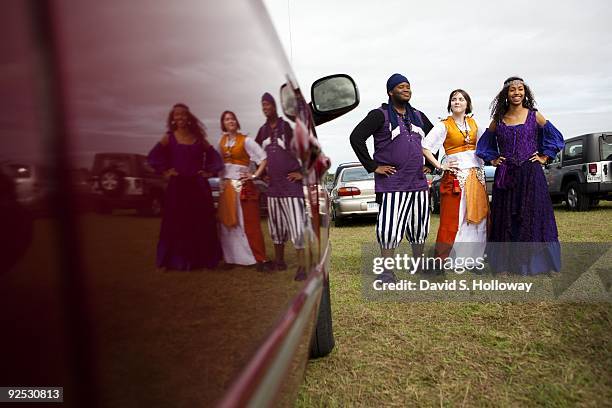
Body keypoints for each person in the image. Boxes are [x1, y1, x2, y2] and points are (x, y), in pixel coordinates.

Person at [476, 76, 565, 275]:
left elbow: (556, 136)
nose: (517, 93)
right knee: (506, 217)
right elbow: (484, 145)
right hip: (506, 175)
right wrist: (493, 159)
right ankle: (505, 265)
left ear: (525, 92)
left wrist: (544, 156)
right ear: (505, 94)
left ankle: (539, 264)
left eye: (520, 89)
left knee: (534, 215)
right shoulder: (498, 120)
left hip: (531, 174)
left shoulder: (534, 115)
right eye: (512, 90)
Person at [350, 73, 432, 283]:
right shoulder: (380, 115)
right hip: (393, 183)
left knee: (419, 226)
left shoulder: (419, 116)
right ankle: (387, 272)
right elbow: (356, 137)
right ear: (390, 91)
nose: (406, 89)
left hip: (418, 183)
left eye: (408, 86)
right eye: (401, 87)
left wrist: (431, 164)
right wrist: (373, 166)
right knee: (390, 227)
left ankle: (419, 266)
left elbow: (434, 138)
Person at [148, 103, 223, 270]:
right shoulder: (169, 137)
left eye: (183, 115)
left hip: (197, 187)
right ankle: (177, 262)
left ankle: (202, 261)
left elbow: (215, 158)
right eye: (177, 115)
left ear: (189, 118)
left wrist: (209, 172)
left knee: (200, 223)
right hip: (178, 188)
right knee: (177, 224)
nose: (180, 117)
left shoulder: (199, 139)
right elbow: (153, 157)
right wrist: (166, 171)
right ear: (173, 118)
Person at [422, 89, 488, 263]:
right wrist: (439, 165)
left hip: (476, 176)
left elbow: (487, 143)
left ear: (467, 103)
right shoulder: (444, 125)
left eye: (461, 99)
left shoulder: (475, 124)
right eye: (453, 99)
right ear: (450, 104)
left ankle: (475, 259)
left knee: (477, 217)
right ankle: (446, 259)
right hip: (455, 177)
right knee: (454, 218)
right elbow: (425, 146)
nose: (457, 102)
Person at [255, 92, 307, 281]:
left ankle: (302, 267)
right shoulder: (262, 131)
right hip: (273, 188)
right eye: (263, 105)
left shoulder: (287, 128)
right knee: (276, 228)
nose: (265, 108)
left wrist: (302, 173)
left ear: (274, 106)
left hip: (291, 187)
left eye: (267, 104)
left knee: (296, 227)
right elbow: (256, 155)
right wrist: (261, 173)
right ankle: (279, 261)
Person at [217, 110, 271, 271]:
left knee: (249, 223)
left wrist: (254, 175)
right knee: (228, 224)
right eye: (227, 119)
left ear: (237, 121)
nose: (231, 121)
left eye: (233, 118)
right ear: (223, 123)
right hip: (227, 187)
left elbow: (264, 158)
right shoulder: (221, 142)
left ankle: (258, 258)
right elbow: (219, 163)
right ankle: (231, 258)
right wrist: (220, 182)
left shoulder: (246, 141)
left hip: (243, 186)